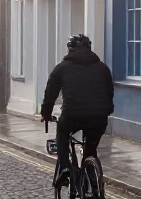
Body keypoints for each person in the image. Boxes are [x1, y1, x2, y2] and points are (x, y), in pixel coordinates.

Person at [40, 34, 114, 188]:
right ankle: (93, 184)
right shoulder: (102, 67)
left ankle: (66, 168)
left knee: (62, 133)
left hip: (73, 115)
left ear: (70, 49)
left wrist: (46, 113)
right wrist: (107, 110)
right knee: (90, 149)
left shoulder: (62, 67)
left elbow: (51, 92)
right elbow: (109, 92)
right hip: (99, 118)